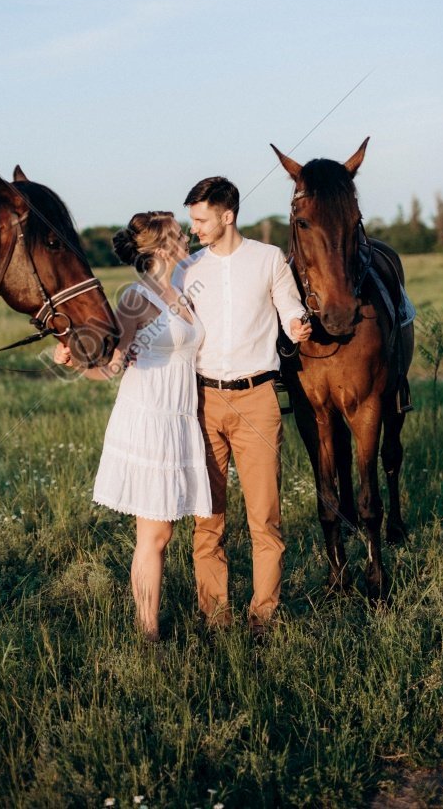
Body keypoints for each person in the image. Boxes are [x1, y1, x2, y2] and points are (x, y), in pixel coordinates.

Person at [54, 211, 212, 641]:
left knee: (166, 530)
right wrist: (73, 358)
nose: (187, 240)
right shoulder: (135, 299)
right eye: (180, 236)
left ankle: (154, 625)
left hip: (181, 419)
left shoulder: (183, 289)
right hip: (148, 418)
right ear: (161, 249)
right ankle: (148, 635)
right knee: (155, 534)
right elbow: (110, 367)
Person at [173, 176, 311, 638]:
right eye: (193, 220)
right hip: (203, 400)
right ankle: (214, 616)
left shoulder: (269, 260)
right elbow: (166, 327)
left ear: (227, 215)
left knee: (264, 517)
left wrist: (298, 325)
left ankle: (262, 619)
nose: (194, 229)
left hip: (258, 398)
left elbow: (290, 308)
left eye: (200, 219)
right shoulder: (187, 270)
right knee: (207, 519)